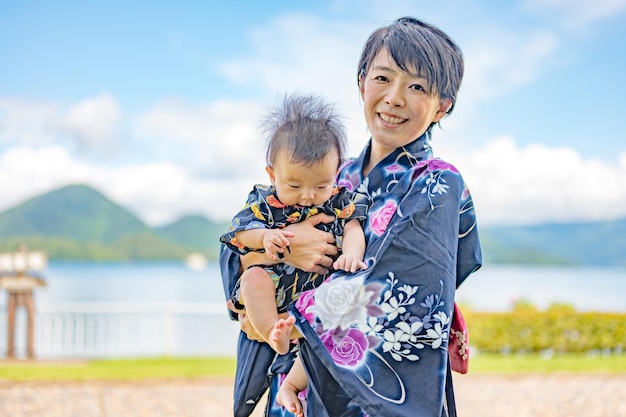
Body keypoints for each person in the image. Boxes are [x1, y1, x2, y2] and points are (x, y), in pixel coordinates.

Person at [221, 16, 482, 417]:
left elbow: (403, 288)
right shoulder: (329, 177)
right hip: (291, 382)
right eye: (383, 78)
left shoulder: (438, 183)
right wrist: (286, 254)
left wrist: (299, 318)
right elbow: (242, 239)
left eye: (416, 87)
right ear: (362, 83)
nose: (394, 98)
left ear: (441, 107)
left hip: (361, 390)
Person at [220, 93, 370, 356]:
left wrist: (351, 254)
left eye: (321, 185)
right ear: (273, 174)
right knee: (253, 278)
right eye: (294, 185)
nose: (308, 195)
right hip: (274, 285)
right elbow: (242, 232)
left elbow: (353, 228)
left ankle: (293, 333)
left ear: (336, 173)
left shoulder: (339, 199)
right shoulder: (264, 201)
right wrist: (265, 237)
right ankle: (273, 333)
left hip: (317, 291)